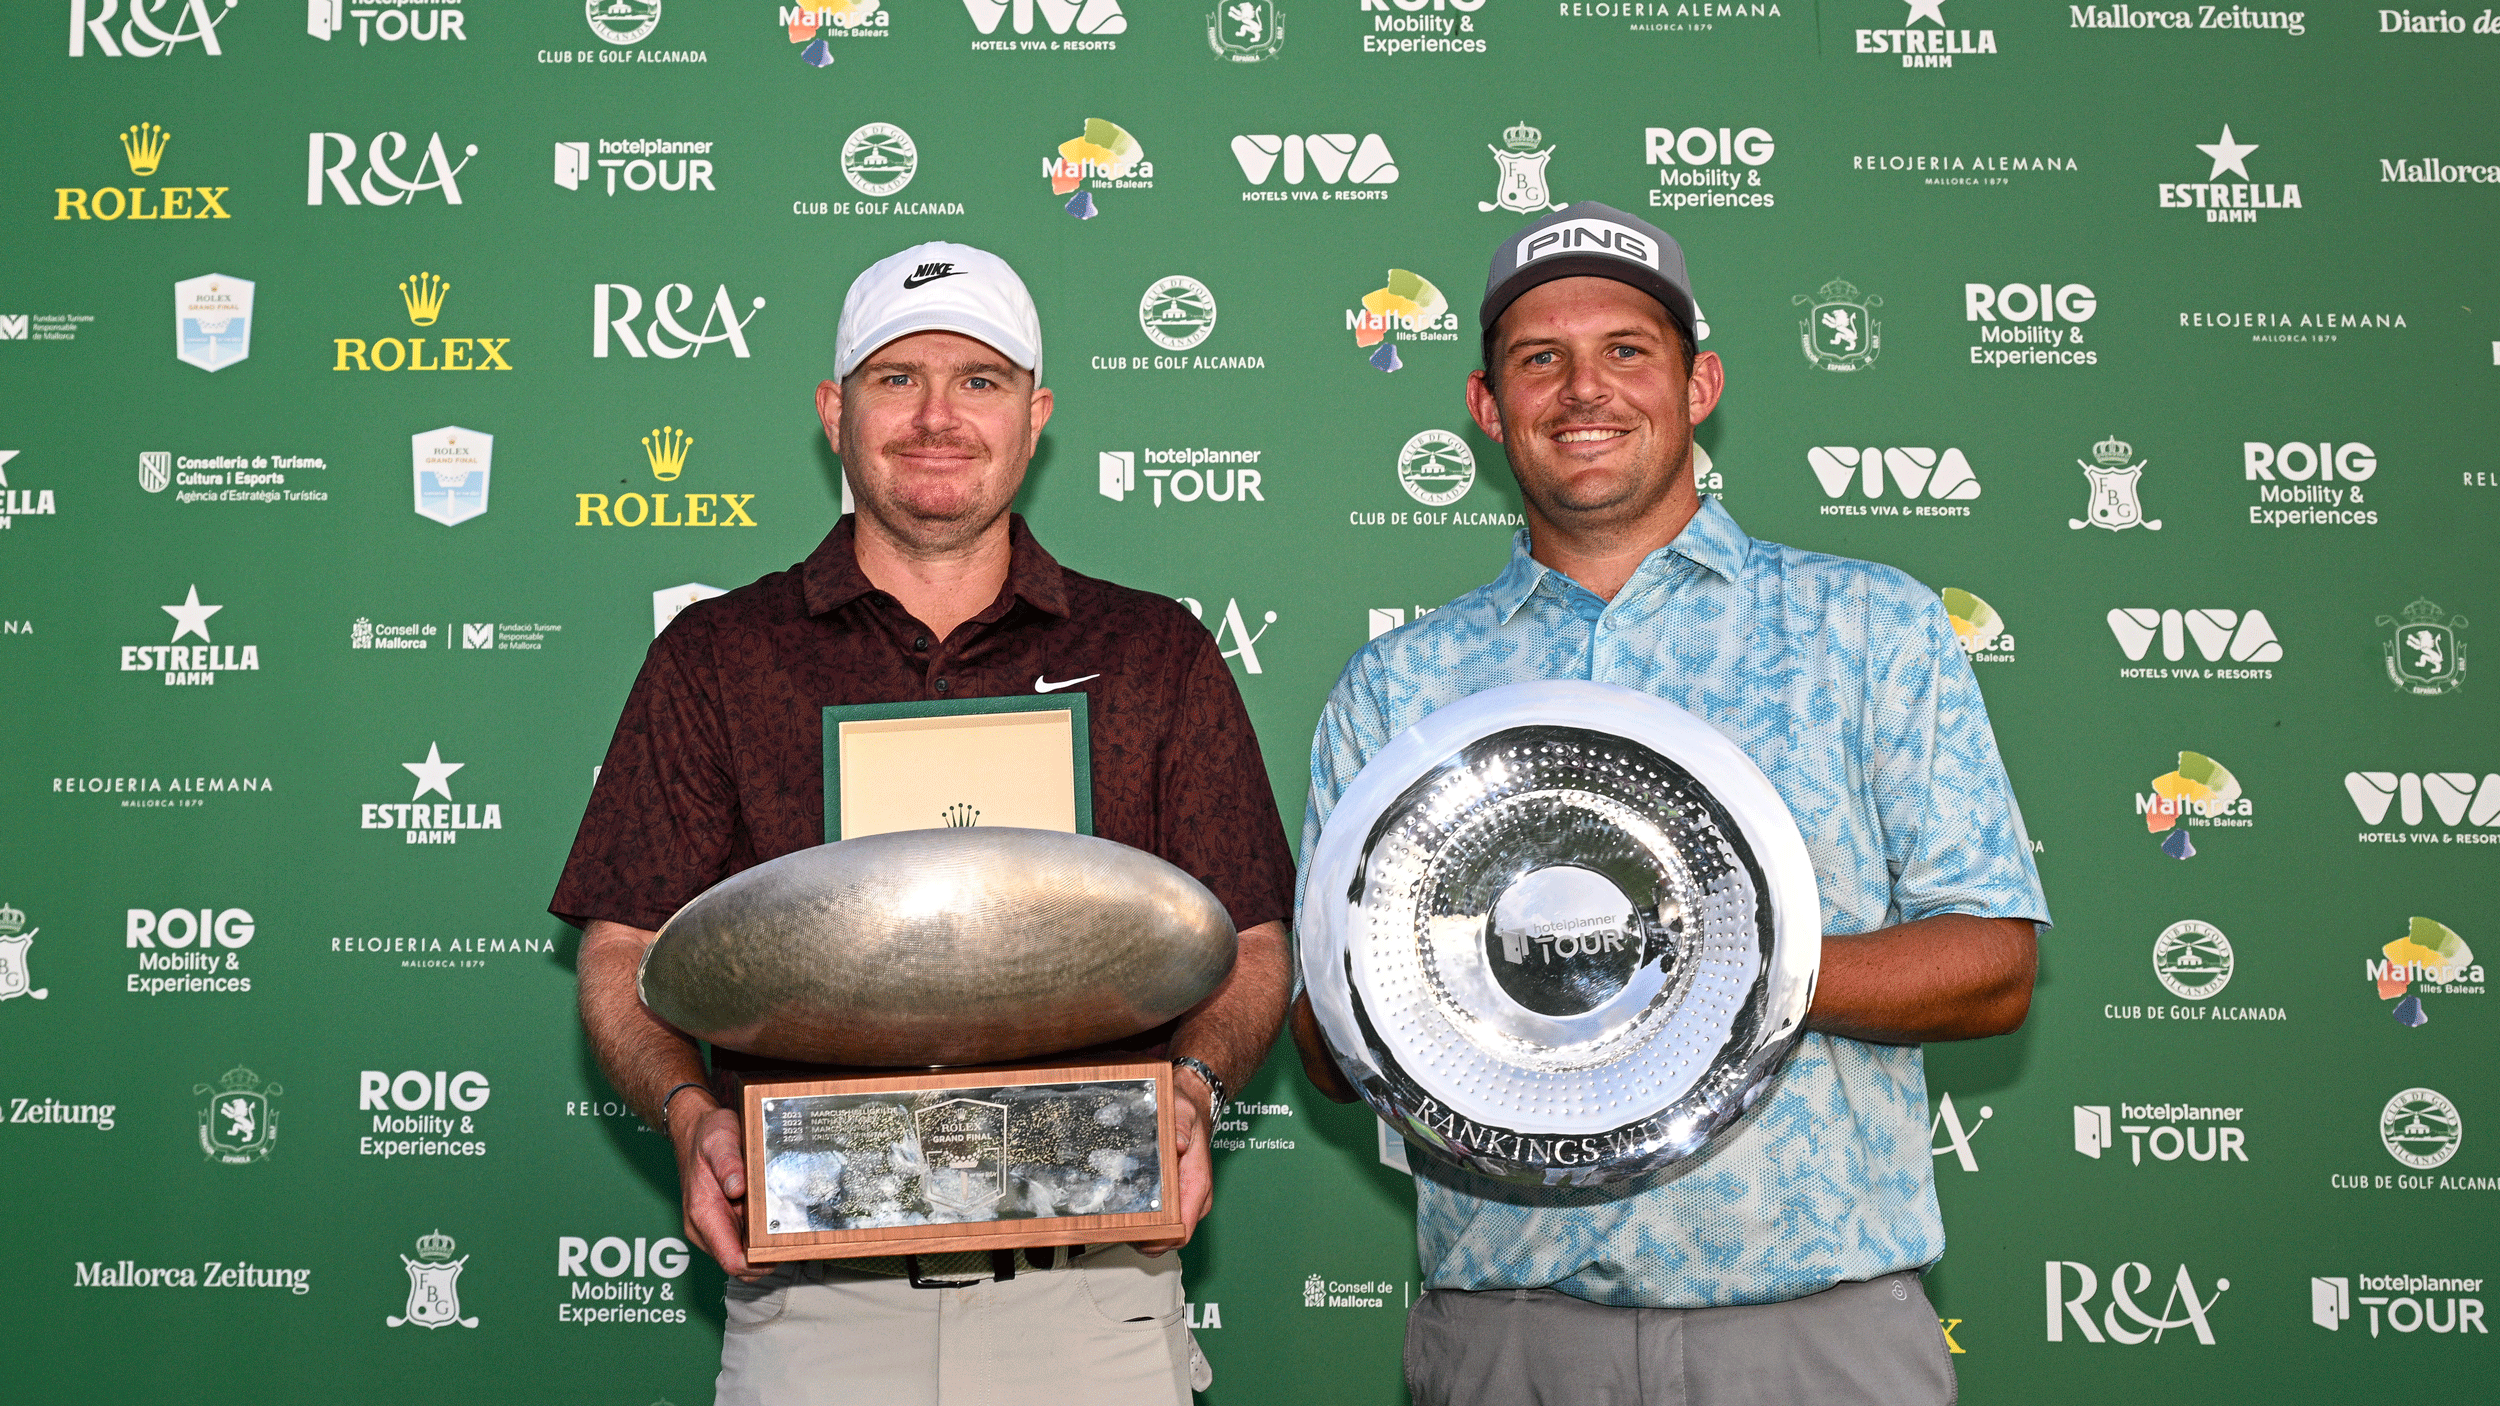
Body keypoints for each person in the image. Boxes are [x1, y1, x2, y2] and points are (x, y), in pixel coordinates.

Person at [1289, 203, 2049, 1405]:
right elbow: (1329, 1048)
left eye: (1626, 351)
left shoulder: (1868, 626)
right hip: (1511, 1339)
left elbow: (1992, 965)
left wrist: (1710, 968)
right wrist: (1401, 989)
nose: (1583, 389)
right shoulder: (1401, 689)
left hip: (1812, 1333)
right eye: (1539, 358)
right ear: (1487, 406)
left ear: (1699, 386)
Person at [553, 241, 1295, 1406]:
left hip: (1093, 1294)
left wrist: (1192, 1090)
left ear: (1034, 416)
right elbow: (623, 948)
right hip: (815, 1303)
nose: (937, 415)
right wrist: (690, 1114)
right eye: (896, 378)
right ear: (832, 412)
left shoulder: (1154, 652)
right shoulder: (718, 656)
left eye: (979, 380)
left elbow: (1250, 937)